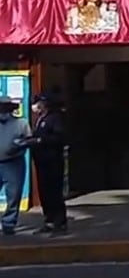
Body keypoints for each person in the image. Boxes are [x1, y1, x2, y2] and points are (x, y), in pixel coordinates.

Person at [24, 93, 67, 235]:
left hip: (53, 160)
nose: (35, 106)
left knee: (55, 192)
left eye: (38, 103)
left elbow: (58, 137)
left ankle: (60, 223)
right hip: (41, 161)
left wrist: (40, 141)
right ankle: (48, 220)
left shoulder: (55, 119)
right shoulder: (40, 119)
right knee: (45, 192)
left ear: (45, 104)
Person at [0, 95, 31, 236]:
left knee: (13, 195)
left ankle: (8, 223)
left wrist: (20, 145)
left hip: (14, 162)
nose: (3, 110)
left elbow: (29, 139)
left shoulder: (21, 123)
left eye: (5, 107)